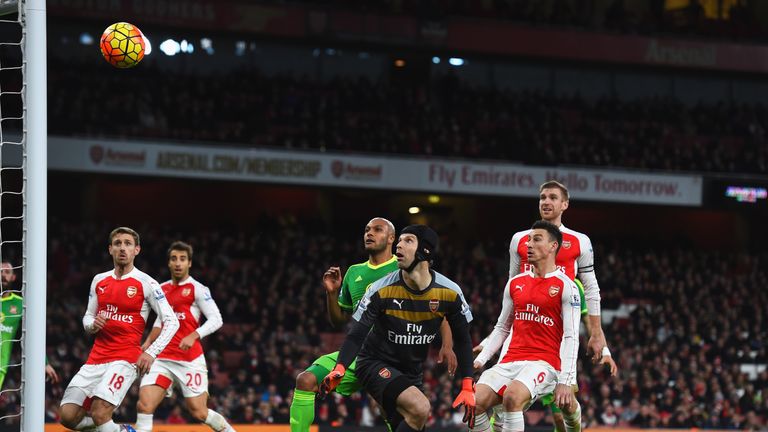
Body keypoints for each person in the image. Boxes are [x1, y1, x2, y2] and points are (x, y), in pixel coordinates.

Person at [290, 218, 457, 432]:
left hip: (391, 358)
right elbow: (339, 320)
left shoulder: (404, 269)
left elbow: (436, 305)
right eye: (367, 229)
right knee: (305, 380)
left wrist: (447, 344)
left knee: (400, 417)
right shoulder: (353, 272)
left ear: (391, 239)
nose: (369, 233)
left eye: (377, 230)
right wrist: (331, 294)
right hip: (356, 355)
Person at [476, 180, 616, 431]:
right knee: (508, 399)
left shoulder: (579, 241)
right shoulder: (519, 240)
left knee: (563, 404)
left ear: (565, 204)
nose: (546, 202)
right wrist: (490, 342)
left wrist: (596, 332)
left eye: (553, 197)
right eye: (542, 197)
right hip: (524, 331)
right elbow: (513, 287)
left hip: (560, 333)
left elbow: (592, 289)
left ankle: (573, 426)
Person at [59, 227, 179, 432]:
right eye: (117, 243)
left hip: (126, 358)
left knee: (99, 413)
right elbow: (88, 316)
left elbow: (172, 321)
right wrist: (92, 325)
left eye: (127, 244)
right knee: (67, 417)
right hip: (96, 358)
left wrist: (150, 353)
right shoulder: (99, 280)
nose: (122, 248)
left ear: (136, 250)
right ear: (110, 249)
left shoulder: (147, 283)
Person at [472, 220, 581, 432]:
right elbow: (502, 327)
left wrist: (566, 380)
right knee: (474, 404)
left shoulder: (566, 285)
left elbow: (571, 336)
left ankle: (575, 419)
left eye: (536, 239)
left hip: (544, 362)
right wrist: (480, 359)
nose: (528, 244)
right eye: (528, 239)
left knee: (512, 397)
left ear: (553, 246)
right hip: (510, 359)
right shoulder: (515, 283)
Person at [135, 241, 233, 432]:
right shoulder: (161, 289)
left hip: (189, 360)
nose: (178, 263)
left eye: (182, 259)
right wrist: (148, 342)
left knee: (199, 412)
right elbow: (159, 321)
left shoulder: (198, 289)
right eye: (174, 259)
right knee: (144, 406)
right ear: (169, 263)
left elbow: (216, 319)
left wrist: (193, 336)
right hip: (162, 359)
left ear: (189, 263)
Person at [0, 261, 60, 389]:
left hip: (1, 365)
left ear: (13, 277)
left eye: (7, 272)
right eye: (0, 271)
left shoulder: (20, 304)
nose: (3, 275)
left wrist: (45, 363)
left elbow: (33, 334)